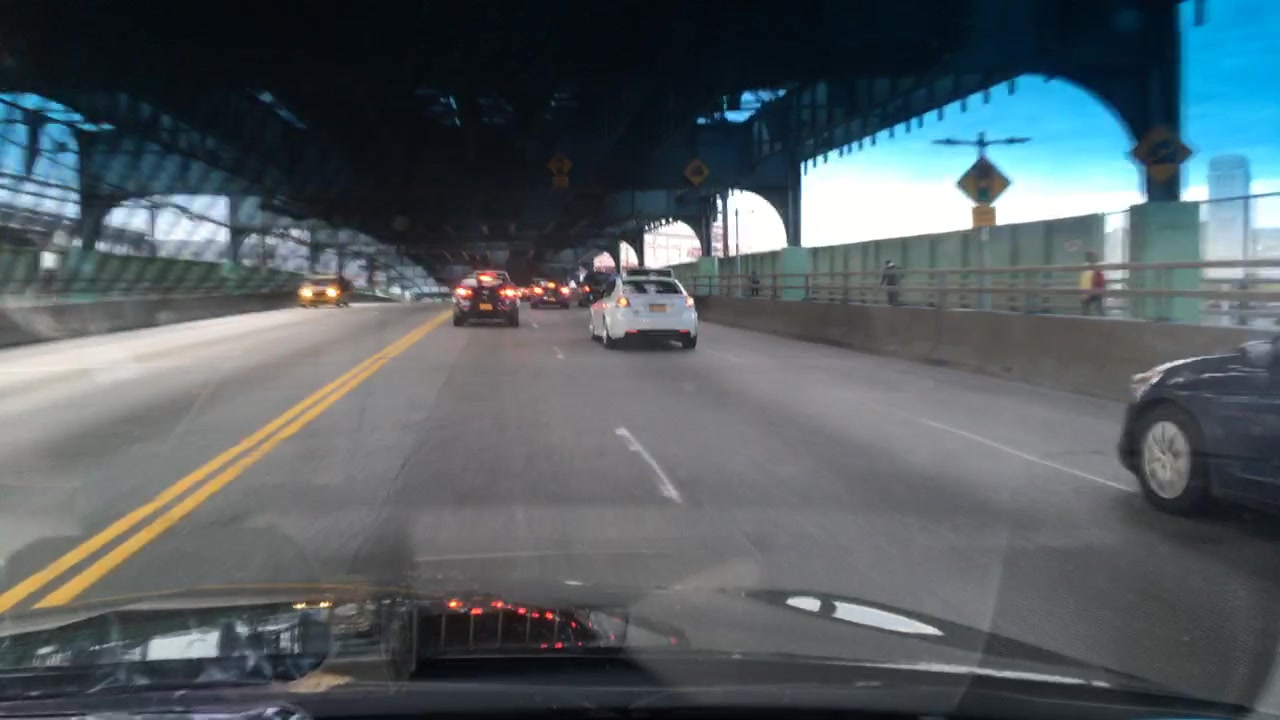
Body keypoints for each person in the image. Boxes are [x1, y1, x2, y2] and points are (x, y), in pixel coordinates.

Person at [1079, 252, 1105, 316]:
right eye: (1093, 257)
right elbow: (1087, 281)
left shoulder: (1094, 268)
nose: (1095, 258)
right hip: (1090, 291)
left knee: (1096, 308)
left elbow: (1099, 280)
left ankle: (1100, 318)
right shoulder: (1087, 268)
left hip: (1094, 291)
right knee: (1088, 309)